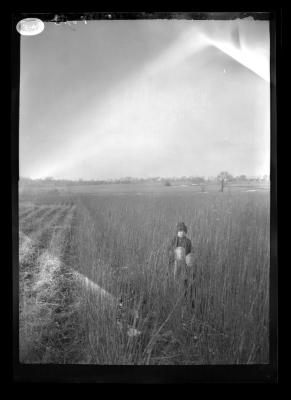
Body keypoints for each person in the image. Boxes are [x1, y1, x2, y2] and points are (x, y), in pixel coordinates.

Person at [168, 222, 195, 310]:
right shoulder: (174, 240)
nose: (181, 232)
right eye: (180, 230)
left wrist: (190, 259)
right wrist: (174, 253)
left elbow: (191, 252)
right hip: (176, 262)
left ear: (185, 231)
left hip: (185, 263)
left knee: (185, 279)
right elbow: (169, 250)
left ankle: (184, 294)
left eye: (183, 231)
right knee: (175, 277)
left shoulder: (188, 241)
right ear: (177, 231)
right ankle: (175, 292)